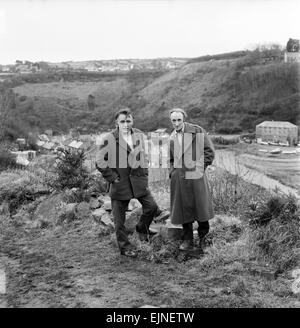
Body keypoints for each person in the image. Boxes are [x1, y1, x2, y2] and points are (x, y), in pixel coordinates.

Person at [96, 108, 160, 258]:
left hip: (139, 181)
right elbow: (99, 161)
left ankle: (142, 229)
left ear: (132, 121)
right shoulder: (109, 138)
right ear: (117, 123)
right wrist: (112, 177)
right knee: (119, 220)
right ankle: (125, 247)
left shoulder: (139, 135)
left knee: (152, 207)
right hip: (120, 184)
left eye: (128, 121)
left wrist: (144, 171)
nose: (126, 124)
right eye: (122, 121)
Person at [168, 108, 215, 254]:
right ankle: (187, 239)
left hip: (196, 177)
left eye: (179, 120)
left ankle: (204, 239)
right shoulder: (171, 137)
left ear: (184, 119)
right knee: (183, 208)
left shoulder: (197, 131)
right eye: (173, 121)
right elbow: (171, 158)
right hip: (180, 178)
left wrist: (199, 168)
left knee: (200, 207)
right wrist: (172, 172)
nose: (176, 123)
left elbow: (209, 152)